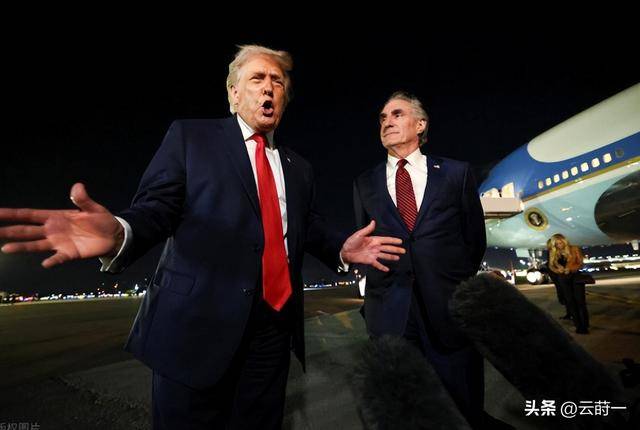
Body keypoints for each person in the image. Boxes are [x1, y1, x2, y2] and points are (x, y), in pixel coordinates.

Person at [0, 45, 405, 429]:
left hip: (272, 333)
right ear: (233, 94)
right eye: (257, 78)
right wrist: (123, 231)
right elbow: (157, 208)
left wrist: (340, 248)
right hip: (196, 329)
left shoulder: (299, 167)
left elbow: (308, 226)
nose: (268, 87)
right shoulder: (191, 138)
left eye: (278, 81)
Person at [353, 92, 489, 428]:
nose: (387, 122)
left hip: (448, 309)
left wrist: (449, 282)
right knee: (402, 410)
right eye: (383, 118)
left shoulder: (456, 173)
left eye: (397, 114)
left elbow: (474, 240)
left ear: (421, 124)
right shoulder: (364, 183)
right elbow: (365, 242)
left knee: (462, 406)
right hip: (391, 314)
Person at [547, 233, 589, 334]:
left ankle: (584, 325)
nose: (559, 245)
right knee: (570, 302)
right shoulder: (553, 252)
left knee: (580, 302)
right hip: (563, 279)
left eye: (560, 243)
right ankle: (578, 326)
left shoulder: (574, 249)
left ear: (564, 241)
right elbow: (551, 266)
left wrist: (570, 269)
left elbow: (580, 263)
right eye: (556, 244)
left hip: (576, 277)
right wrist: (558, 270)